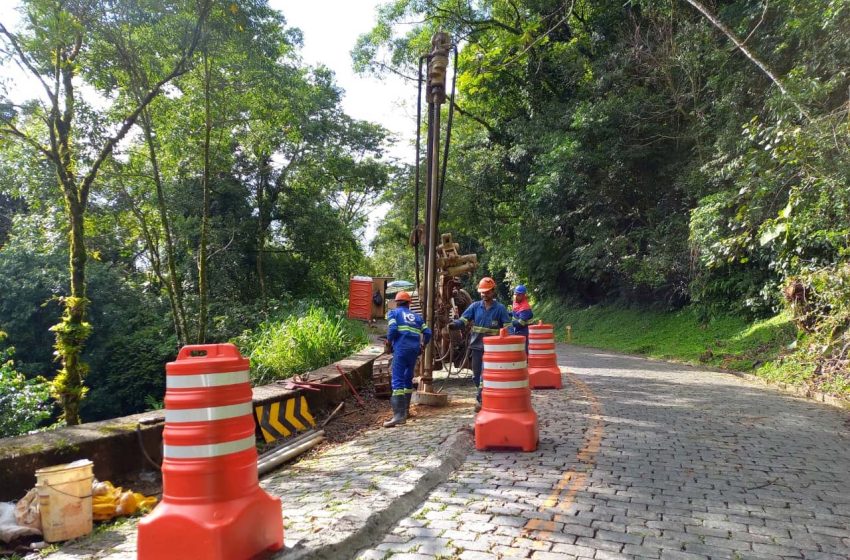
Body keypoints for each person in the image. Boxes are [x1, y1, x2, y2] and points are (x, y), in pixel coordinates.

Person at [447, 277, 511, 411]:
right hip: (476, 347)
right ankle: (483, 394)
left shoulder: (500, 309)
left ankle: (481, 399)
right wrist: (454, 325)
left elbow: (507, 328)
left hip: (493, 350)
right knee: (476, 376)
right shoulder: (475, 307)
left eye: (487, 292)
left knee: (484, 374)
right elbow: (464, 319)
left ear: (493, 292)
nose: (484, 294)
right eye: (482, 292)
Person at [384, 291, 431, 427]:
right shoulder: (417, 317)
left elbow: (392, 328)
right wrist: (423, 345)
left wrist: (388, 342)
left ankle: (398, 416)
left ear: (396, 302)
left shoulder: (393, 313)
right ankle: (405, 411)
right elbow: (427, 333)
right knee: (407, 378)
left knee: (397, 379)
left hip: (401, 349)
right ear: (409, 303)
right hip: (414, 351)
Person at [510, 285, 534, 352]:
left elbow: (520, 323)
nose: (516, 297)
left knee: (524, 350)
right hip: (517, 331)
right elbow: (514, 313)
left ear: (523, 296)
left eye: (518, 295)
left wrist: (509, 324)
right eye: (515, 294)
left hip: (525, 331)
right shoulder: (516, 302)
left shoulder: (525, 308)